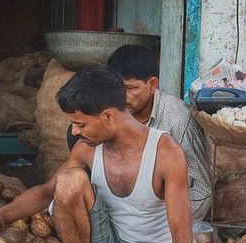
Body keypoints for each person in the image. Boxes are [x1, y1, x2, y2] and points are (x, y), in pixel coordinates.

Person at [0, 65, 229, 243]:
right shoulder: (86, 150)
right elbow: (46, 192)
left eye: (80, 124)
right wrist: (1, 217)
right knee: (68, 181)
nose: (75, 132)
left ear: (109, 116)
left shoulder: (165, 152)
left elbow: (182, 241)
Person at [67, 45, 214, 220]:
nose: (122, 97)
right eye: (117, 88)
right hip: (114, 216)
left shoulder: (178, 120)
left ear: (152, 85)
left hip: (159, 219)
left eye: (130, 88)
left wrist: (165, 227)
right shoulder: (108, 110)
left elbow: (202, 190)